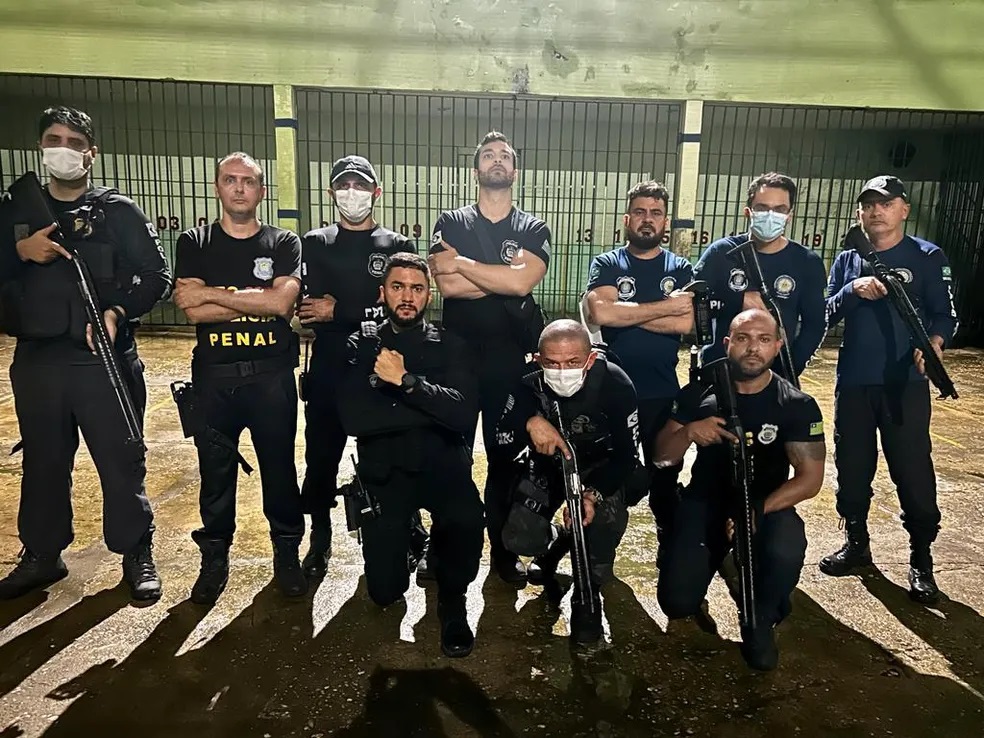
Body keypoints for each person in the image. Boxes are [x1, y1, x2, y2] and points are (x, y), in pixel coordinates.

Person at [0, 106, 171, 602]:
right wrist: (19, 251)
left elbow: (157, 275)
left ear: (91, 154)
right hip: (38, 359)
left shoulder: (117, 212)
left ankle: (136, 551)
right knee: (43, 462)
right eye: (54, 140)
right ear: (39, 147)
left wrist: (118, 312)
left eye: (75, 143)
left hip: (102, 360)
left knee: (121, 462)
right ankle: (42, 553)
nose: (64, 150)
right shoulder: (15, 210)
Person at [654, 309, 826, 670]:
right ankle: (715, 558)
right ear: (727, 343)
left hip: (765, 504)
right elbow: (661, 458)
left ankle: (763, 613)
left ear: (777, 346)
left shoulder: (796, 404)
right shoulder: (699, 393)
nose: (753, 348)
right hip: (705, 500)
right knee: (677, 603)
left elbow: (809, 479)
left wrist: (756, 511)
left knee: (785, 547)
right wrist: (688, 433)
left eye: (764, 340)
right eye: (743, 339)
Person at [172, 151, 306, 604]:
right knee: (215, 475)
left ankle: (287, 553)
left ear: (261, 191)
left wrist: (214, 296)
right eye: (230, 180)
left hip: (271, 381)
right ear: (217, 187)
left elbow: (281, 305)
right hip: (214, 382)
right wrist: (256, 298)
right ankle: (214, 559)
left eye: (248, 181)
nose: (239, 188)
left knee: (280, 472)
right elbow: (191, 311)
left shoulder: (283, 242)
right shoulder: (195, 241)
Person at [337, 252, 484, 658]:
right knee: (384, 593)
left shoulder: (451, 345)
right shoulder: (361, 345)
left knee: (467, 521)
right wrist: (431, 406)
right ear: (382, 292)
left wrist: (404, 383)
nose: (407, 297)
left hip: (442, 467)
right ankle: (410, 539)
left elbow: (463, 414)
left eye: (417, 288)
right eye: (398, 287)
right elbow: (353, 418)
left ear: (429, 295)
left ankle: (452, 600)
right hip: (387, 472)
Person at [820, 175, 957, 604]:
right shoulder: (848, 259)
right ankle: (856, 542)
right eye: (868, 205)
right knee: (852, 468)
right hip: (854, 383)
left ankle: (921, 557)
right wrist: (852, 289)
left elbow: (945, 315)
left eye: (886, 203)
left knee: (912, 471)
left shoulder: (927, 256)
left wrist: (934, 343)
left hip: (905, 385)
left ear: (904, 209)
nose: (876, 211)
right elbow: (826, 311)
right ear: (859, 212)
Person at [428, 131, 550, 585]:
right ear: (476, 167)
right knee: (451, 459)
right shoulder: (451, 221)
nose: (497, 161)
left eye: (505, 156)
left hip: (509, 364)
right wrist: (502, 277)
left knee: (505, 462)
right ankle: (444, 549)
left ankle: (503, 552)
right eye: (488, 155)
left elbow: (522, 284)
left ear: (514, 170)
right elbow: (447, 286)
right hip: (456, 363)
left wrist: (464, 264)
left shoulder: (533, 228)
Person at [297, 155, 417, 579]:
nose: (353, 193)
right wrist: (362, 307)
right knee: (320, 458)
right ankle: (320, 536)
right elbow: (309, 309)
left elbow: (401, 308)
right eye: (344, 186)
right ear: (331, 193)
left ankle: (401, 530)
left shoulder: (397, 245)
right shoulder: (315, 242)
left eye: (361, 186)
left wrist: (339, 310)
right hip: (329, 368)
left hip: (381, 368)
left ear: (376, 193)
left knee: (389, 456)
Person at [493, 319, 643, 643]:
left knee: (599, 540)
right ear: (538, 360)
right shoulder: (526, 383)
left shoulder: (616, 384)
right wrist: (529, 423)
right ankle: (557, 540)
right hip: (550, 467)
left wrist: (592, 495)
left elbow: (627, 457)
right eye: (552, 363)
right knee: (519, 538)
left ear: (590, 359)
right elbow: (501, 439)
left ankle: (588, 591)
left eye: (573, 362)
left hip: (600, 470)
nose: (562, 372)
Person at [583, 180, 695, 548]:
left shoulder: (680, 267)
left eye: (656, 213)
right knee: (613, 480)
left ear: (665, 222)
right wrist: (665, 307)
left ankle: (670, 552)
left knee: (665, 476)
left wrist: (625, 314)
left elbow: (686, 323)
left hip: (661, 393)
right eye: (640, 212)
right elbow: (601, 313)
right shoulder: (607, 263)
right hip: (612, 393)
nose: (648, 219)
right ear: (627, 219)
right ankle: (599, 556)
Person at [693, 172, 826, 380]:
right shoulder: (721, 253)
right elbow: (692, 303)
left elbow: (815, 325)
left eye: (779, 209)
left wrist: (789, 370)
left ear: (789, 216)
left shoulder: (807, 262)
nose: (771, 215)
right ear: (748, 212)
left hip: (774, 375)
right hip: (719, 373)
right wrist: (736, 299)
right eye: (762, 208)